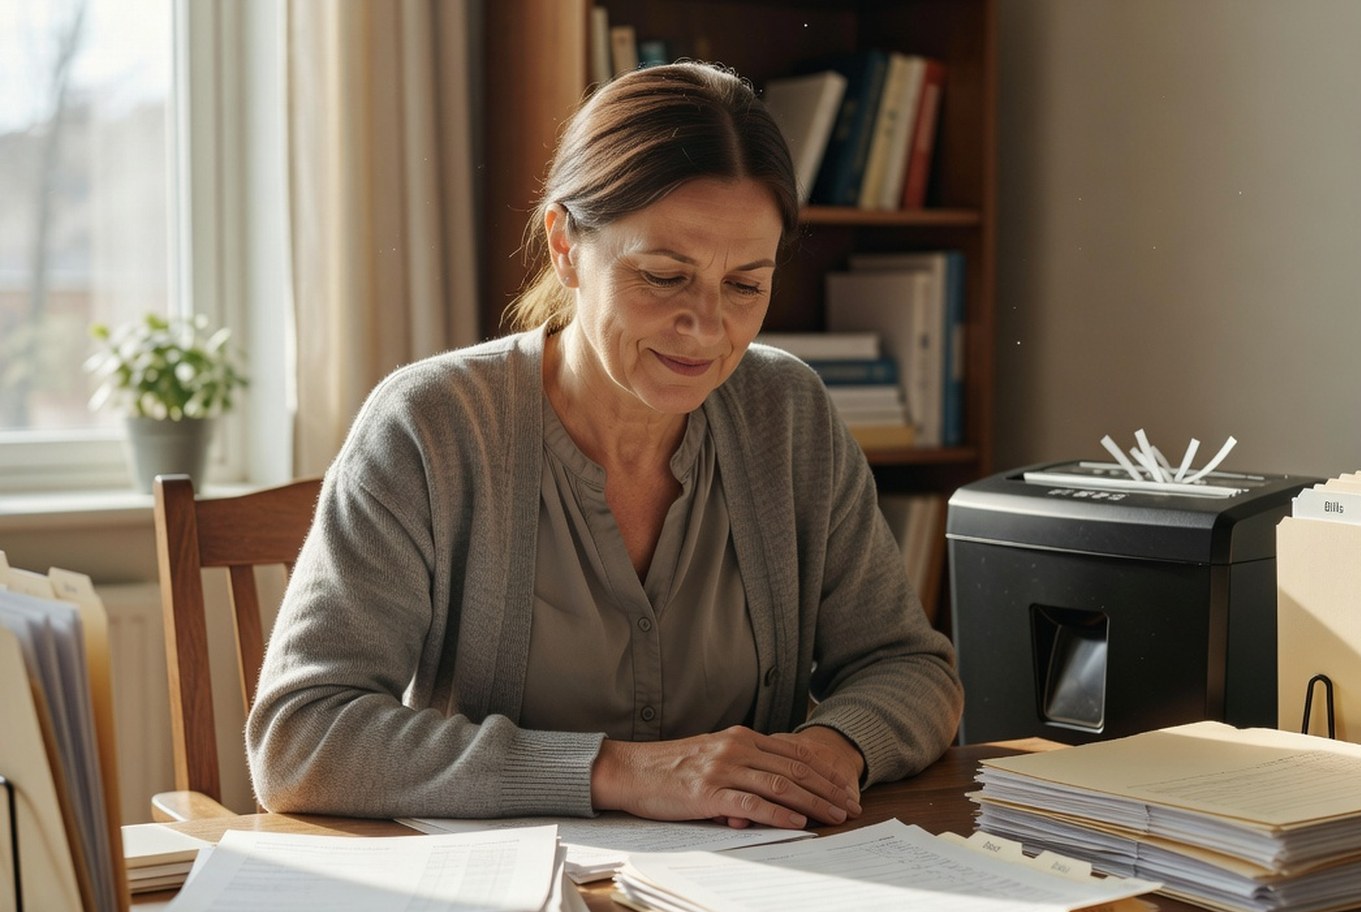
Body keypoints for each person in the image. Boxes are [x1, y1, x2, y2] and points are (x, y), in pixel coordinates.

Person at [246, 61, 962, 830]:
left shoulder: (787, 414)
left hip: (756, 897)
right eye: (663, 276)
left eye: (746, 285)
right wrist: (622, 771)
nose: (707, 328)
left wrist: (832, 749)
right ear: (564, 246)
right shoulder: (431, 426)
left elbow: (910, 666)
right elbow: (302, 735)